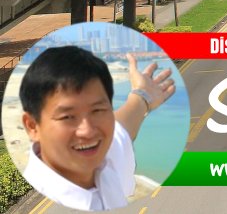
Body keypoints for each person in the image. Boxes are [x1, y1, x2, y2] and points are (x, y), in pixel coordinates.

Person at [19, 46, 176, 211]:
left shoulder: (104, 160)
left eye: (97, 110)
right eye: (67, 117)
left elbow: (121, 129)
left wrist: (143, 96)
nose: (87, 131)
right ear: (32, 126)